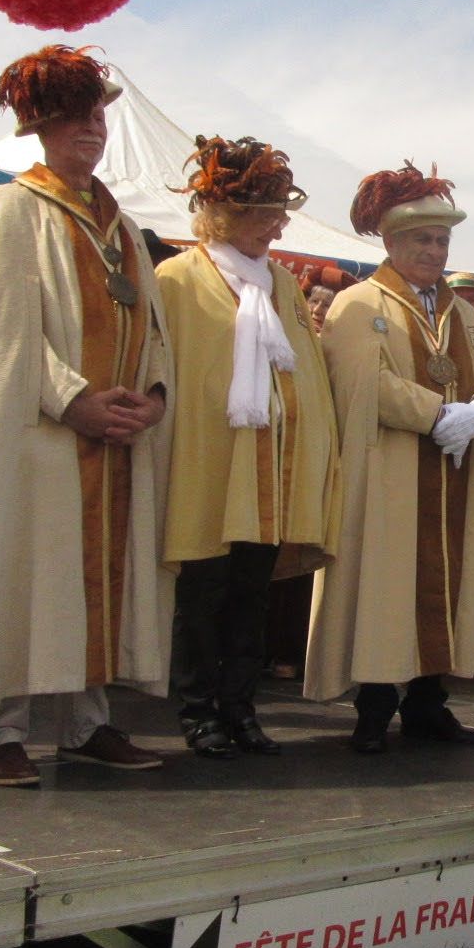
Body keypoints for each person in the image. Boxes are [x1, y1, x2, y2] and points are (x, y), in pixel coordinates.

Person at [0, 45, 173, 786]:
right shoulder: (11, 207)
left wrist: (152, 396)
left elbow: (157, 327)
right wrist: (74, 399)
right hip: (41, 436)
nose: (92, 130)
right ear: (41, 128)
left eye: (99, 117)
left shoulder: (124, 227)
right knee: (22, 568)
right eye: (75, 119)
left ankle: (86, 721)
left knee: (96, 579)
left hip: (117, 441)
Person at [306, 161, 474, 751]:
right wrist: (437, 415)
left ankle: (430, 706)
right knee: (384, 587)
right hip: (391, 476)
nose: (434, 250)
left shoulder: (463, 315)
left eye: (442, 240)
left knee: (446, 590)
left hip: (453, 479)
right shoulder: (357, 304)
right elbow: (361, 383)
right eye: (422, 239)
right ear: (392, 242)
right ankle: (373, 709)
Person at [154, 134, 340, 759]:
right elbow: (169, 367)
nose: (280, 223)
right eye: (266, 212)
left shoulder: (283, 286)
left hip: (271, 467)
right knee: (202, 591)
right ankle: (197, 711)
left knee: (251, 594)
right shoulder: (177, 278)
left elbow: (305, 369)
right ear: (225, 214)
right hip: (210, 462)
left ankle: (241, 707)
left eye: (279, 210)